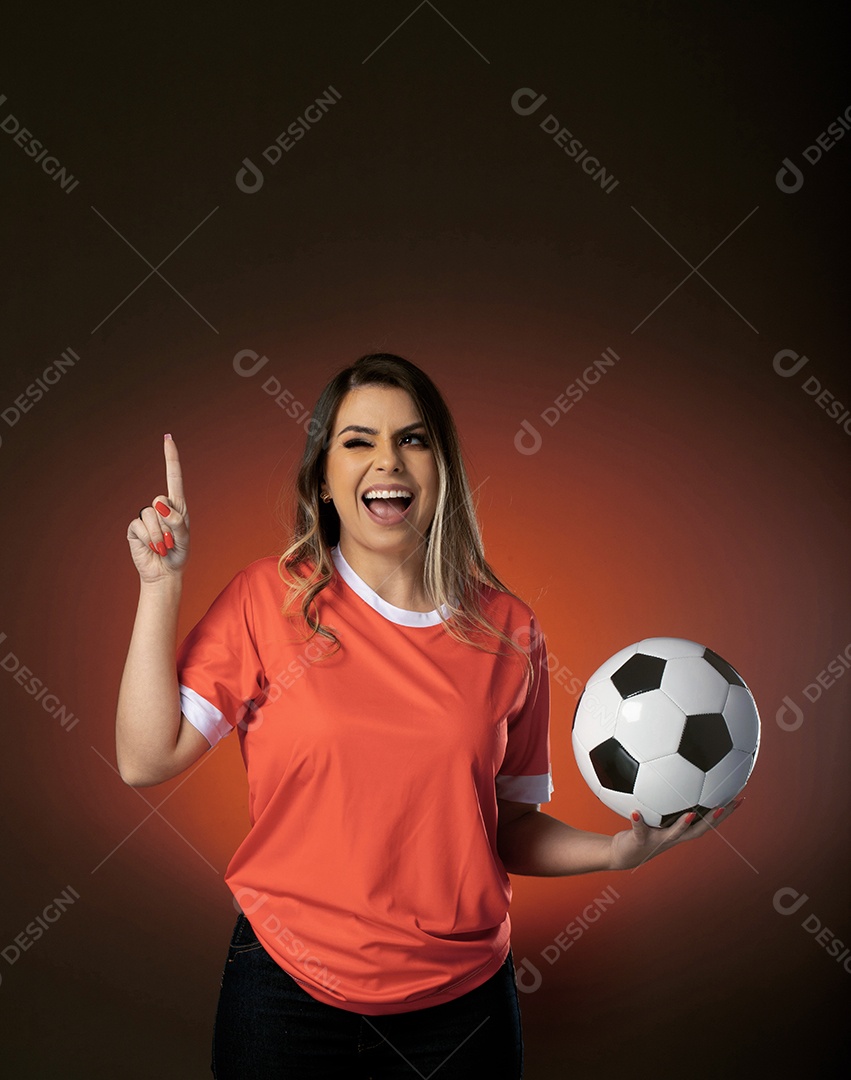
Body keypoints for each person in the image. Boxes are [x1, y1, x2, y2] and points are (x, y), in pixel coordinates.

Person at [116, 353, 742, 1079]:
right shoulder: (268, 598)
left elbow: (506, 828)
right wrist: (160, 584)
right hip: (284, 991)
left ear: (441, 469)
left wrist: (614, 854)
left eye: (412, 439)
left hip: (460, 1007)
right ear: (323, 479)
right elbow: (144, 759)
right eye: (358, 441)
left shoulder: (509, 630)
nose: (388, 460)